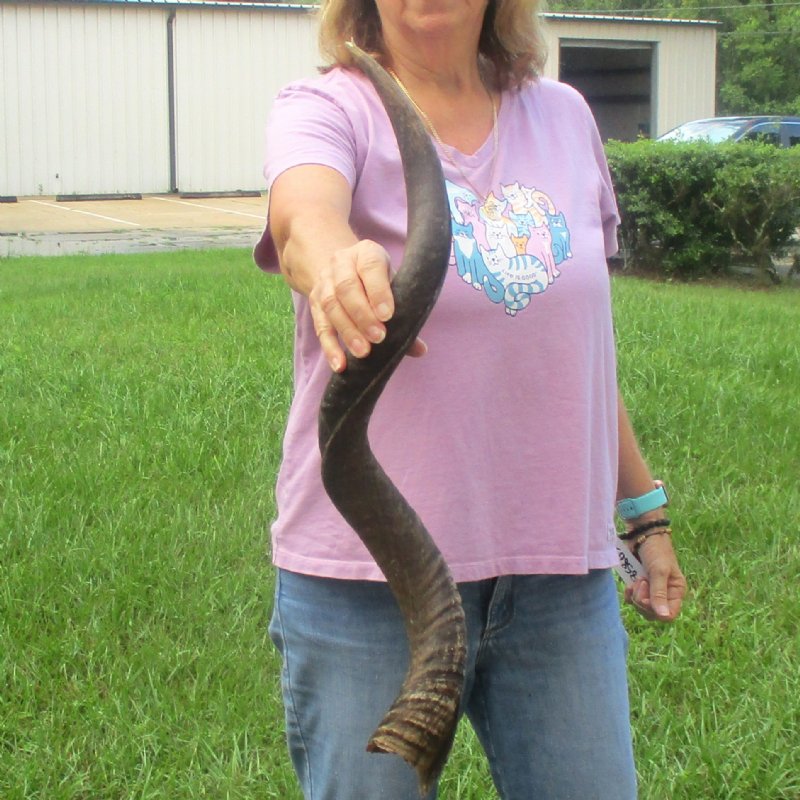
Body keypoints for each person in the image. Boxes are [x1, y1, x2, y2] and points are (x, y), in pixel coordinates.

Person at [254, 0, 687, 796]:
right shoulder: (328, 108)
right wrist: (338, 264)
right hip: (372, 580)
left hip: (558, 579)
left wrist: (644, 513)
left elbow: (578, 352)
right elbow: (301, 222)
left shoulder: (564, 117)